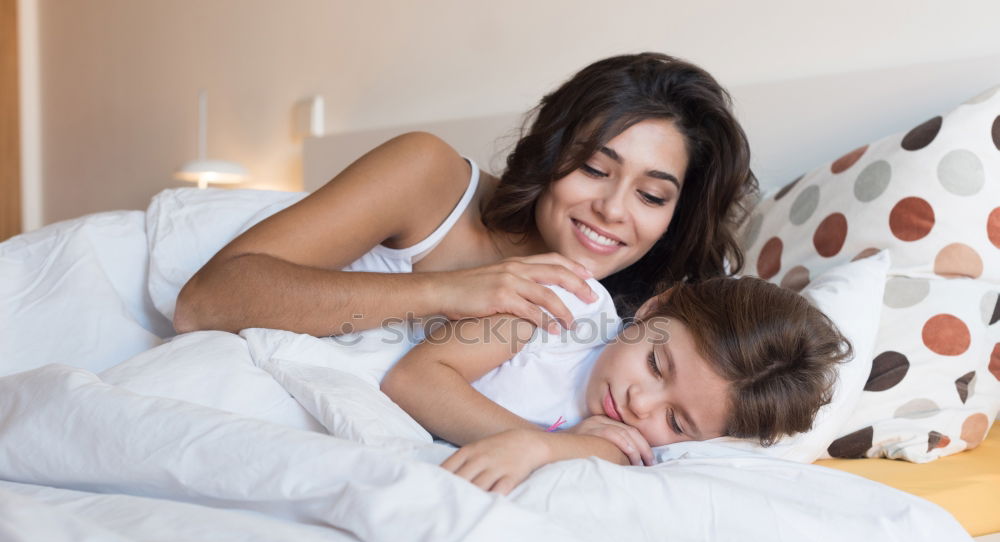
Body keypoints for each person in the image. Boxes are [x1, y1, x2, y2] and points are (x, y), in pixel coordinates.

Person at [172, 52, 756, 339]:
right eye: (593, 168)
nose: (612, 209)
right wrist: (445, 291)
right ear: (552, 151)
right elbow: (206, 301)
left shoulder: (638, 313)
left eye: (652, 196)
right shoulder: (429, 176)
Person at [382, 276, 852, 495]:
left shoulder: (634, 445)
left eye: (675, 420)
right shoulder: (563, 308)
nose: (639, 403)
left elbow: (603, 452)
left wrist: (548, 450)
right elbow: (414, 378)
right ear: (654, 307)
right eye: (654, 363)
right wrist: (533, 443)